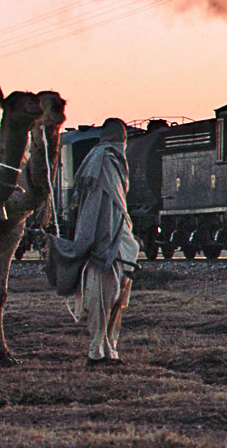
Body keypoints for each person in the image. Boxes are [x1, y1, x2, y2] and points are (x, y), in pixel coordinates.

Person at [51, 118, 138, 364]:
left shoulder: (109, 159)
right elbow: (97, 205)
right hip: (105, 238)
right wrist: (95, 239)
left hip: (117, 234)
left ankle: (110, 347)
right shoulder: (105, 160)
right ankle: (96, 351)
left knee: (116, 299)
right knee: (103, 297)